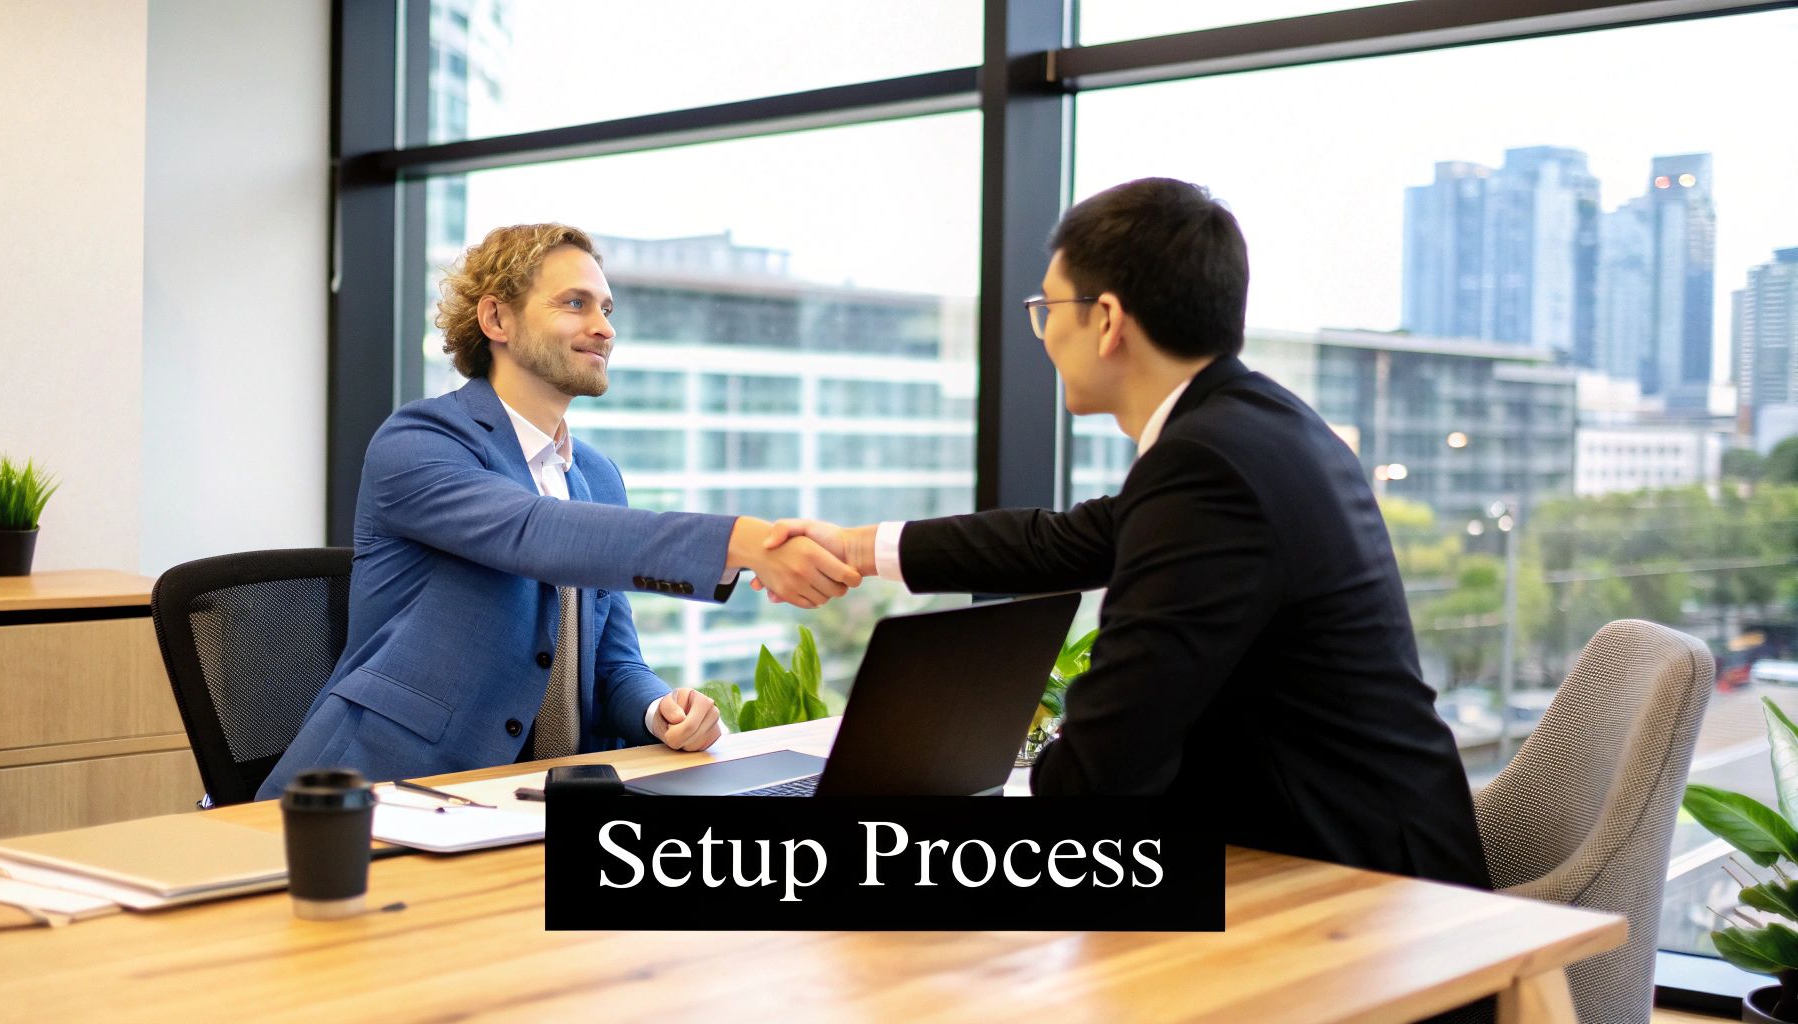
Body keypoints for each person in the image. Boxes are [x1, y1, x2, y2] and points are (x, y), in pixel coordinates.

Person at [765, 179, 1490, 888]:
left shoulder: (1207, 466)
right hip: (1356, 854)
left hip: (1361, 896)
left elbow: (1110, 764)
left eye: (1047, 308)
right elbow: (1062, 541)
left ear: (1107, 319)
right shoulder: (1259, 424)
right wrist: (857, 547)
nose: (1043, 332)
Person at [257, 224, 860, 800]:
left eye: (607, 309)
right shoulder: (420, 441)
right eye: (575, 304)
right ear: (497, 318)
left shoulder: (596, 476)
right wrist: (744, 541)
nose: (603, 329)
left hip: (533, 801)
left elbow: (614, 663)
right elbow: (535, 532)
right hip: (387, 791)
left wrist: (660, 710)